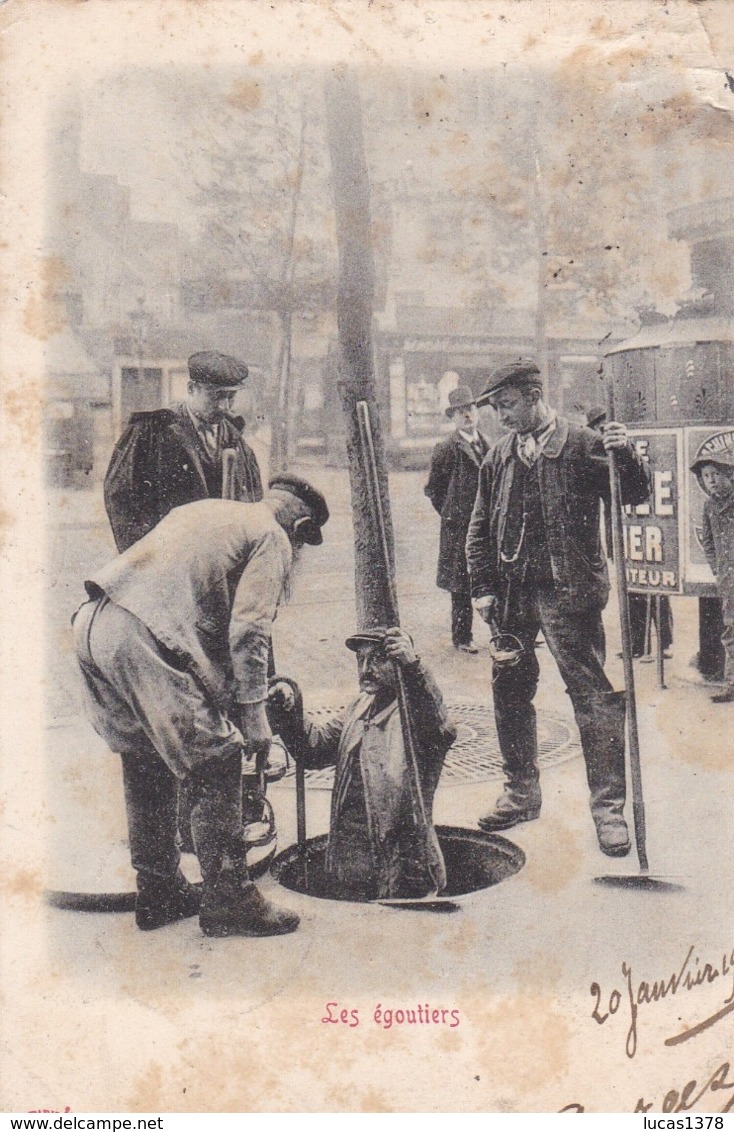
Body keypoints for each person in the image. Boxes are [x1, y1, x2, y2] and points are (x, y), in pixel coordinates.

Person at [72, 474, 329, 936]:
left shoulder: (209, 510)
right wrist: (253, 716)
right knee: (219, 759)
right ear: (302, 524)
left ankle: (159, 891)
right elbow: (249, 630)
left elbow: (197, 613)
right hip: (143, 640)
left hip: (96, 624)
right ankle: (230, 899)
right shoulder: (272, 536)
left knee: (146, 756)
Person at [466, 362, 650, 856]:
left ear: (532, 396)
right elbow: (479, 526)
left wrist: (624, 453)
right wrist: (481, 586)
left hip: (569, 595)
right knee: (509, 691)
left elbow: (633, 493)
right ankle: (521, 792)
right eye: (496, 409)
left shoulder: (583, 443)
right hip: (510, 597)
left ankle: (608, 810)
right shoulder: (499, 456)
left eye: (506, 406)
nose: (500, 417)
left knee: (592, 696)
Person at [267, 628, 456, 900]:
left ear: (399, 661)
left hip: (403, 865)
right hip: (350, 858)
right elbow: (314, 749)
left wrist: (414, 668)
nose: (366, 669)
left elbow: (439, 727)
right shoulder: (360, 707)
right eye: (361, 660)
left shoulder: (413, 717)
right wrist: (288, 706)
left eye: (379, 659)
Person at [104, 350, 263, 553]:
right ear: (191, 388)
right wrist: (144, 558)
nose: (224, 406)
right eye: (216, 396)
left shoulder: (239, 444)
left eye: (230, 397)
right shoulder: (151, 432)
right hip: (166, 559)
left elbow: (252, 505)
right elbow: (120, 497)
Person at [586, 406, 673, 660]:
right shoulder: (601, 455)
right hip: (626, 529)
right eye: (596, 427)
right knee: (640, 588)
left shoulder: (625, 451)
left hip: (643, 526)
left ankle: (652, 642)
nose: (600, 432)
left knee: (651, 585)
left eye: (602, 426)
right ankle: (645, 643)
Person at [425, 387, 490, 653]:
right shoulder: (446, 449)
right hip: (459, 527)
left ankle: (504, 632)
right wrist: (453, 513)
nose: (467, 414)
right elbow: (434, 490)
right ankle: (462, 637)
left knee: (491, 577)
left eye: (471, 408)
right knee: (461, 584)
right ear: (452, 417)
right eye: (460, 411)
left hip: (487, 525)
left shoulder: (487, 445)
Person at [690, 449, 734, 704]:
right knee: (731, 631)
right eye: (706, 476)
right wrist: (718, 568)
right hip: (729, 580)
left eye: (716, 474)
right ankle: (732, 685)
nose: (712, 480)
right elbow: (708, 542)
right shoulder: (709, 506)